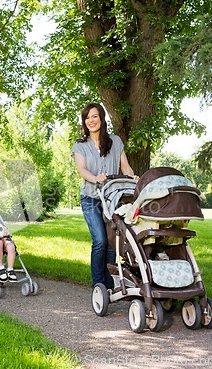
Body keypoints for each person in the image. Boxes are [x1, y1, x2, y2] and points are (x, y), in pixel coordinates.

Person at [71, 103, 138, 289]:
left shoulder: (115, 141)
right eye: (87, 117)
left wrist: (132, 176)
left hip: (112, 199)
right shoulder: (80, 145)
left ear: (101, 118)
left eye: (94, 116)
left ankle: (110, 285)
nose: (90, 121)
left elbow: (124, 166)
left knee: (111, 242)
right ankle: (99, 284)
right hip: (91, 198)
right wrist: (96, 178)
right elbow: (82, 170)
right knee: (100, 240)